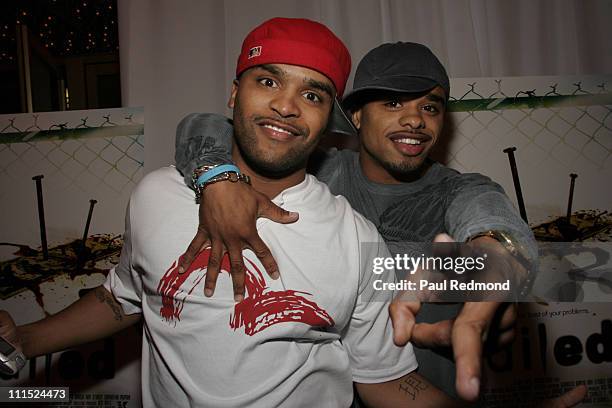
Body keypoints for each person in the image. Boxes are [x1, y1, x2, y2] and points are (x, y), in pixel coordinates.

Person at [0, 17, 476, 407]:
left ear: (329, 117)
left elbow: (384, 379)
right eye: (268, 81)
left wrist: (497, 268)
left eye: (311, 94)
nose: (286, 106)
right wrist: (24, 338)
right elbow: (122, 296)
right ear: (234, 95)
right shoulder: (156, 196)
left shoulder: (356, 236)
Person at [173, 42, 538, 401]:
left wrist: (497, 260)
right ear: (357, 116)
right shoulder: (315, 175)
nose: (415, 120)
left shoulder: (459, 191)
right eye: (393, 103)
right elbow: (205, 125)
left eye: (430, 107)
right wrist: (215, 174)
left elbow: (496, 228)